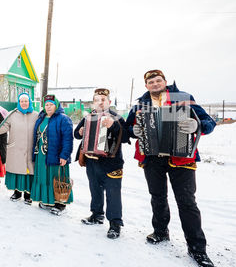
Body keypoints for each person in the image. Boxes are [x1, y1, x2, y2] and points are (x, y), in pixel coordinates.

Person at [125, 70, 216, 267]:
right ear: (146, 85)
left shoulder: (183, 98)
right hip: (152, 157)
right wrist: (133, 130)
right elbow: (126, 130)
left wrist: (196, 125)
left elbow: (209, 122)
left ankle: (197, 249)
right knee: (157, 197)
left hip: (181, 157)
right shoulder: (140, 104)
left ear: (165, 82)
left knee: (187, 202)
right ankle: (160, 232)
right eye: (151, 81)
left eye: (158, 80)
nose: (155, 83)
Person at [74, 88, 127, 239]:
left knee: (113, 194)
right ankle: (96, 215)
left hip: (111, 163)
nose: (100, 102)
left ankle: (115, 224)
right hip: (92, 161)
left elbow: (125, 137)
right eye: (97, 100)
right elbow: (76, 135)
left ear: (109, 102)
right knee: (95, 190)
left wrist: (114, 126)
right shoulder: (88, 117)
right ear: (93, 103)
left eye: (103, 100)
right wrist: (79, 132)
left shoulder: (117, 118)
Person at [0, 93, 38, 204]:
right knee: (17, 171)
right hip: (16, 148)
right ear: (19, 103)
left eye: (26, 101)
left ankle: (28, 195)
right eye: (22, 101)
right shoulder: (12, 114)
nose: (24, 103)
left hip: (30, 149)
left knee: (29, 171)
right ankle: (17, 193)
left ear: (29, 102)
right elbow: (3, 126)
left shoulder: (36, 115)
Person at [31, 94, 74, 215]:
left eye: (51, 104)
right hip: (41, 154)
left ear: (56, 105)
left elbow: (68, 139)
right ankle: (47, 200)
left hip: (56, 154)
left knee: (57, 177)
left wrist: (64, 155)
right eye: (46, 105)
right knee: (44, 177)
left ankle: (60, 203)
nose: (48, 107)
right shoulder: (41, 118)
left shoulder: (63, 118)